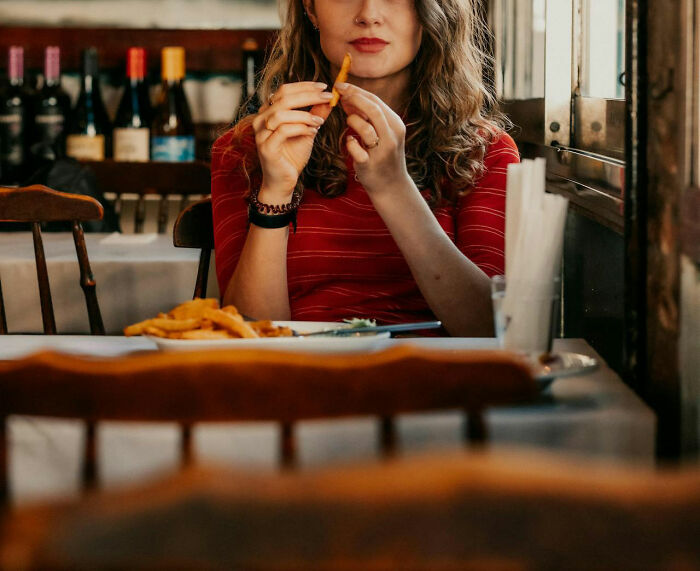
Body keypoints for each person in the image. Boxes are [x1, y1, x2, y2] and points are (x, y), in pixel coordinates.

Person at [211, 0, 519, 337]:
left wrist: (394, 189)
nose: (368, 14)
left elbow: (493, 328)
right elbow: (249, 339)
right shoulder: (245, 149)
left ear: (435, 11)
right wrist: (275, 191)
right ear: (311, 10)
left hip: (433, 380)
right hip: (298, 377)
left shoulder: (486, 152)